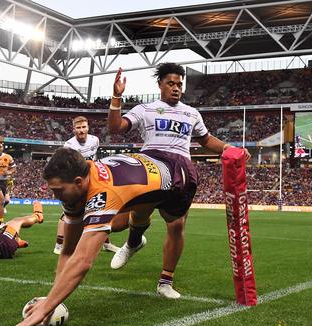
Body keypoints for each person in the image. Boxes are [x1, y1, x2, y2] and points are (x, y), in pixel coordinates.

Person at [3, 148, 197, 326]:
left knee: (174, 223)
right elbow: (69, 250)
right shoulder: (77, 184)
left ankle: (164, 278)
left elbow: (82, 260)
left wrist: (46, 306)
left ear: (78, 182)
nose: (56, 196)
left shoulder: (103, 194)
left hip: (178, 176)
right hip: (147, 165)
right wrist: (53, 299)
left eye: (59, 190)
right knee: (130, 215)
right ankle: (135, 241)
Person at [106, 63, 250, 299]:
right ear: (160, 84)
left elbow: (206, 140)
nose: (176, 88)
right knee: (140, 215)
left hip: (182, 168)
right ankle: (133, 243)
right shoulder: (145, 109)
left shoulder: (192, 113)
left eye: (179, 84)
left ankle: (165, 282)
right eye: (171, 83)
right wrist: (116, 96)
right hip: (151, 164)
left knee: (177, 225)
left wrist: (230, 149)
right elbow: (116, 128)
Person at [54, 115, 119, 255]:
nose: (81, 130)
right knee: (67, 214)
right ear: (73, 130)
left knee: (100, 210)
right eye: (78, 128)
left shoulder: (95, 140)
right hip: (76, 183)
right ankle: (59, 245)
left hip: (92, 180)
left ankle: (106, 244)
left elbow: (94, 159)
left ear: (88, 128)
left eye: (84, 127)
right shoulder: (69, 145)